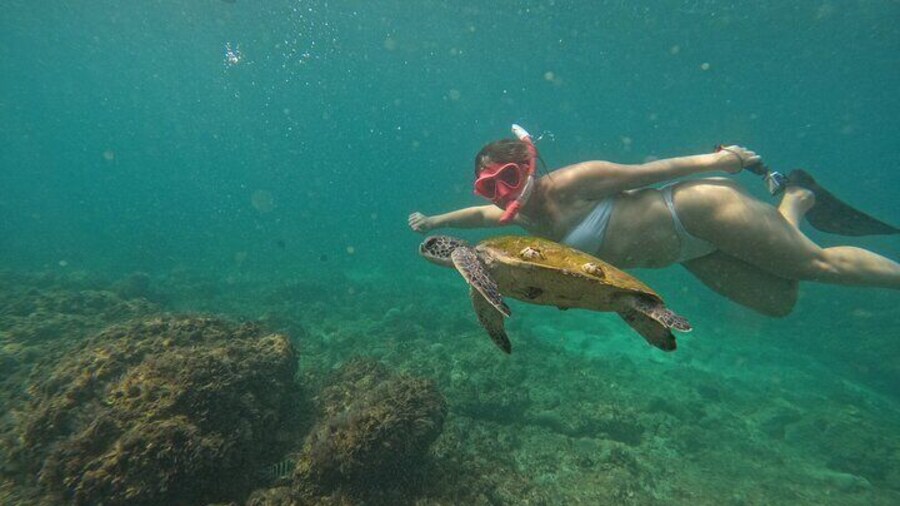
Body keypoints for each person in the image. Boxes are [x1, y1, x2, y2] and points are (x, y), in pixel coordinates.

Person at [408, 125, 900, 317]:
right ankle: (797, 197)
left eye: (509, 178)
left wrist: (719, 161)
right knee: (779, 301)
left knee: (816, 266)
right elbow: (478, 216)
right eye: (490, 187)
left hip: (697, 210)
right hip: (690, 253)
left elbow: (652, 172)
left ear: (529, 165)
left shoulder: (575, 181)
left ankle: (801, 205)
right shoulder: (524, 219)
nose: (502, 193)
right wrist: (433, 220)